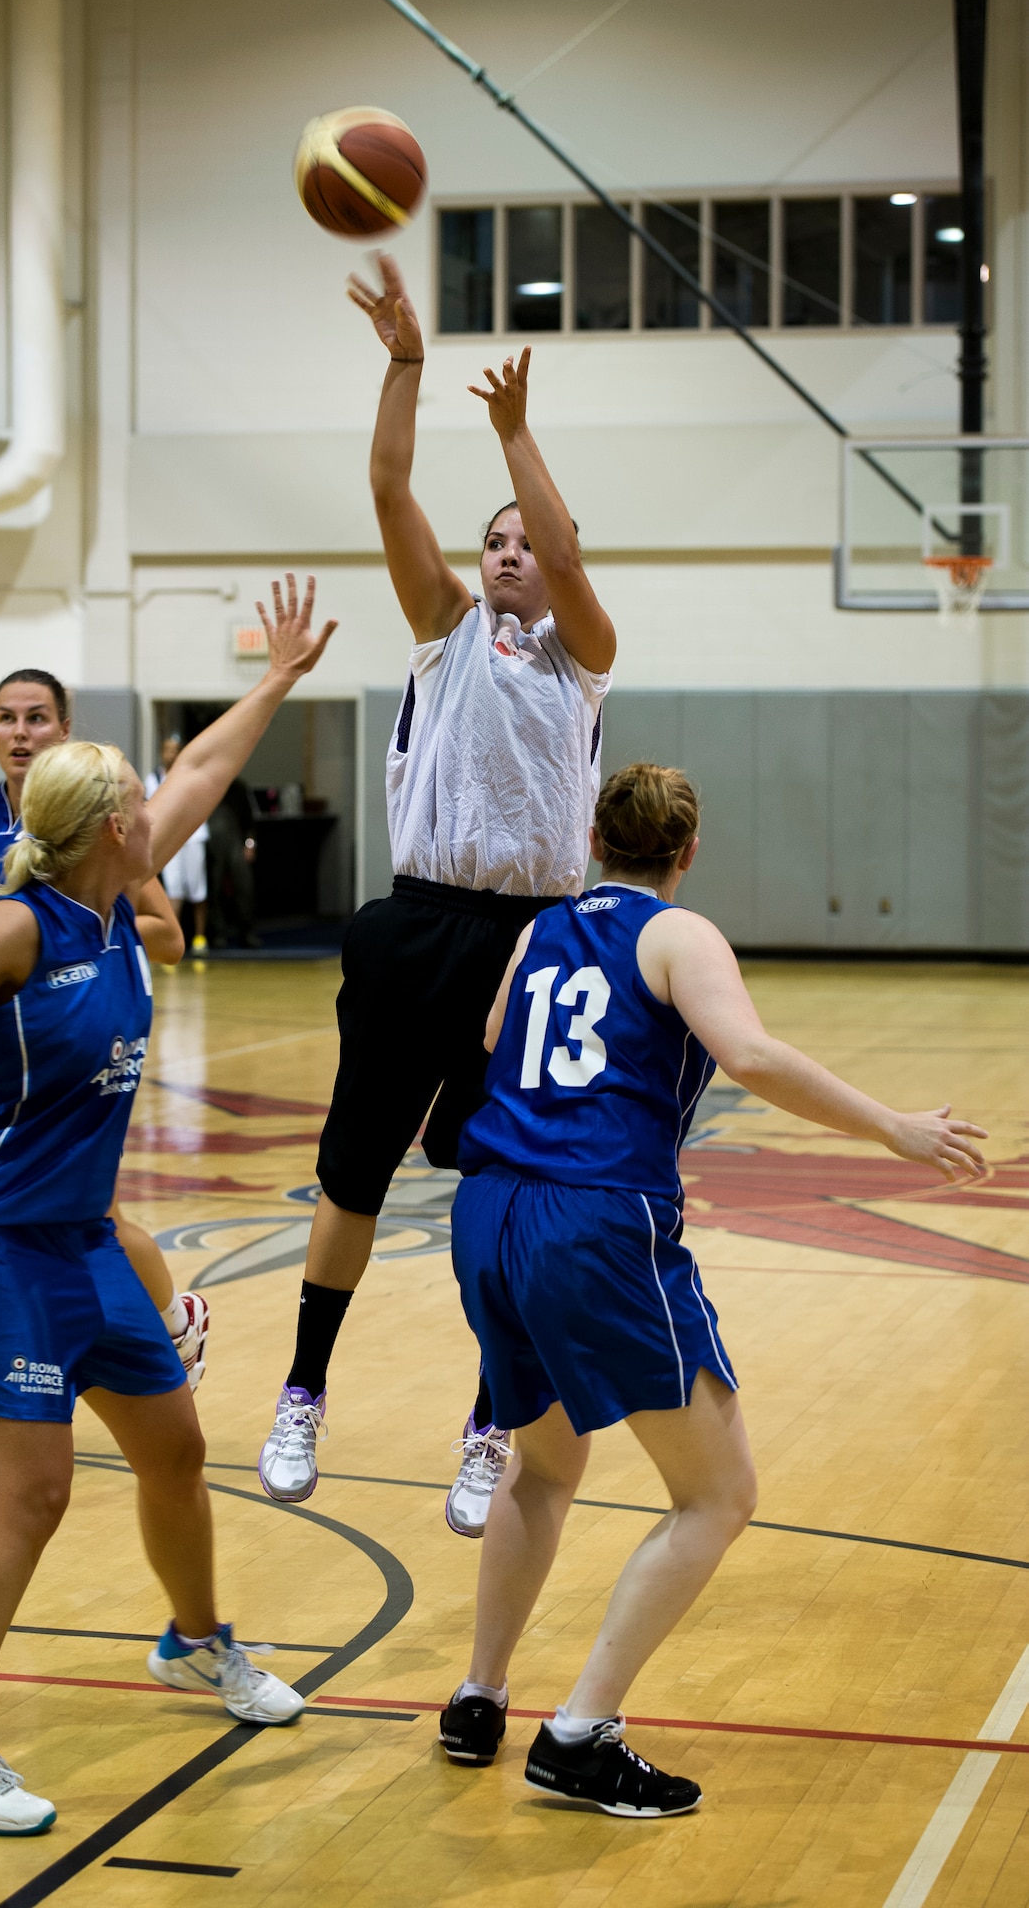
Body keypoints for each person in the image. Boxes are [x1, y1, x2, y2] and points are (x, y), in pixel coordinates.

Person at [0, 578, 336, 1835]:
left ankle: (192, 1641)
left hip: (77, 1237)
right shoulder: (15, 928)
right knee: (33, 1493)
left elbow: (206, 767)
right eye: (135, 800)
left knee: (171, 1448)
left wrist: (277, 678)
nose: (152, 807)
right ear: (102, 827)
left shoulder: (120, 894)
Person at [437, 763, 987, 1814]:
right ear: (686, 851)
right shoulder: (677, 935)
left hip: (488, 1208)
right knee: (718, 1493)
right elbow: (747, 1051)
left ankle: (478, 1691)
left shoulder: (539, 930)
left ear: (594, 840)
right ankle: (581, 1730)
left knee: (543, 1463)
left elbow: (496, 1036)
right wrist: (891, 1127)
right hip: (591, 1219)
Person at [258, 253, 616, 1537]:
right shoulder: (443, 629)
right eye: (497, 541)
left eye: (527, 541)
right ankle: (303, 1389)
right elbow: (387, 484)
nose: (515, 551)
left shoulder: (584, 659)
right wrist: (406, 366)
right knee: (350, 1176)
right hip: (415, 921)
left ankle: (485, 1421)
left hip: (528, 944)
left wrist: (517, 435)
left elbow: (568, 549)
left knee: (496, 1189)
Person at [0, 672, 208, 1517]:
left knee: (79, 1219)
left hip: (51, 1051)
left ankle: (172, 1316)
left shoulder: (101, 846)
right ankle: (0, 1432)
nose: (20, 732)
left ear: (63, 730)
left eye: (37, 719)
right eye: (6, 718)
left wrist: (83, 938)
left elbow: (164, 932)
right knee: (22, 1229)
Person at [145, 735, 210, 954]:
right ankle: (175, 940)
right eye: (168, 749)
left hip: (193, 837)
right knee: (173, 888)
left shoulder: (190, 776)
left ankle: (200, 937)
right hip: (170, 839)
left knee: (197, 888)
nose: (171, 754)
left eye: (175, 750)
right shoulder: (153, 778)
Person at [206, 776, 259, 948]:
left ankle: (246, 931)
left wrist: (250, 843)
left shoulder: (239, 787)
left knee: (244, 885)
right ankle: (218, 933)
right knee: (214, 887)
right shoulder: (208, 785)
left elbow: (249, 819)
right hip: (213, 841)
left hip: (236, 839)